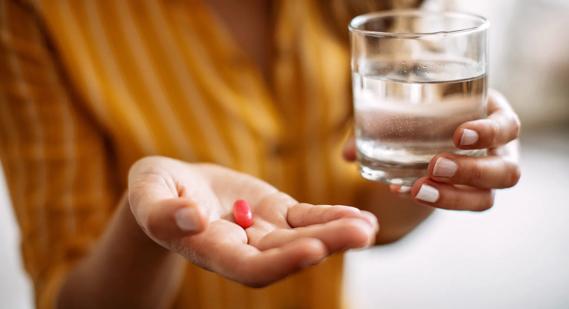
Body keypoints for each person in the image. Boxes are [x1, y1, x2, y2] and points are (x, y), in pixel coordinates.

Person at [0, 0, 521, 308]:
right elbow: (69, 296)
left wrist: (430, 171)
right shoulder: (39, 14)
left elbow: (367, 213)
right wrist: (151, 226)